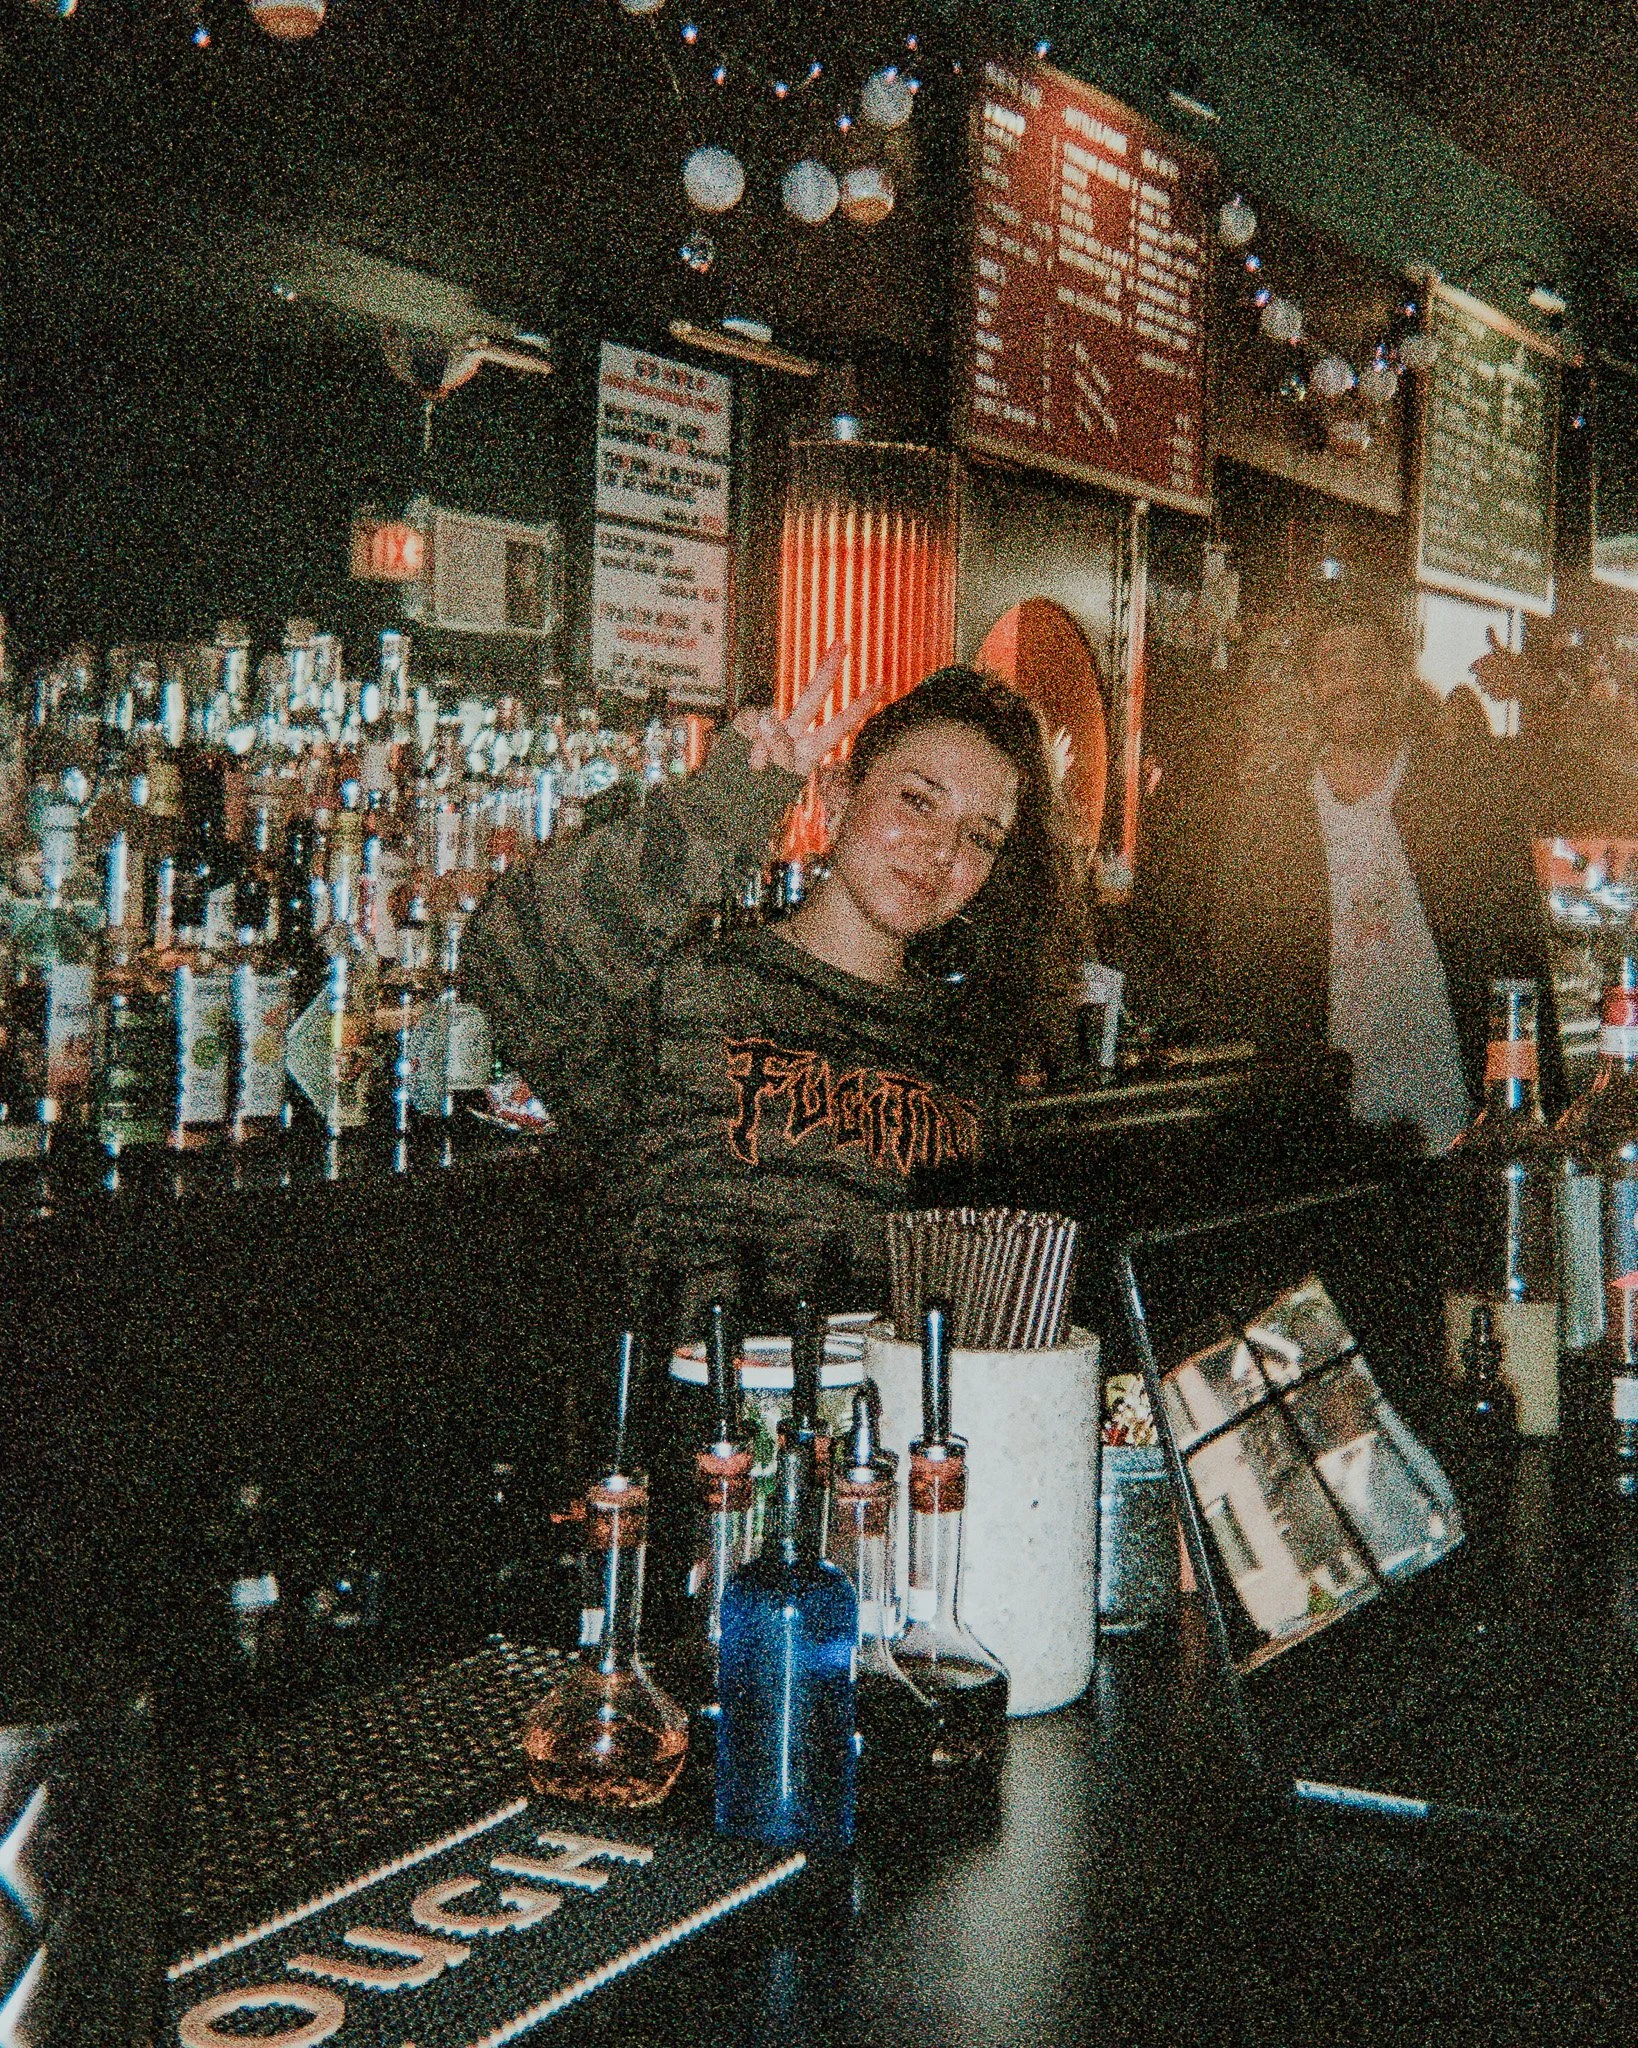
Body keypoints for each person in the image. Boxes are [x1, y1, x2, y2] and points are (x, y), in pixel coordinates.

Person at [462, 647, 1080, 1325]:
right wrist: (720, 815)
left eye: (980, 837)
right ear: (838, 796)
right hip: (697, 1415)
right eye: (918, 800)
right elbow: (505, 957)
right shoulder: (693, 994)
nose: (941, 850)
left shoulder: (964, 1059)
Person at [1209, 590, 1562, 1152]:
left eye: (1370, 662)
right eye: (1335, 666)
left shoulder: (1458, 799)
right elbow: (1241, 976)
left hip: (1460, 1127)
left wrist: (1543, 692)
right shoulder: (1274, 821)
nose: (1353, 681)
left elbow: (1516, 954)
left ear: (1398, 675)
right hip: (1329, 1138)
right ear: (1312, 688)